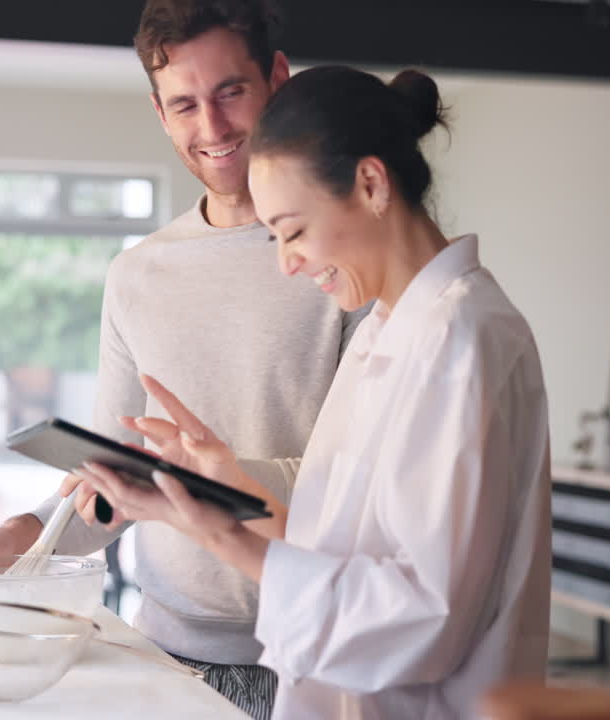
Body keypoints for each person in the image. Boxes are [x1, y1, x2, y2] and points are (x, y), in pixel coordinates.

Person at [64, 65, 554, 720]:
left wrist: (220, 536)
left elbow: (420, 623)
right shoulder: (389, 328)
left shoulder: (459, 341)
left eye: (292, 231)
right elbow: (339, 543)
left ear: (371, 184)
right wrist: (226, 484)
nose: (286, 264)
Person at [0, 3, 365, 717]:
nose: (212, 129)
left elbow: (357, 486)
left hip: (310, 658)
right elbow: (115, 475)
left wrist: (201, 473)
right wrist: (29, 531)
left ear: (278, 79)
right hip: (163, 652)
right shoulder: (137, 275)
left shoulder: (344, 259)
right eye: (185, 104)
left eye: (231, 92)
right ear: (161, 114)